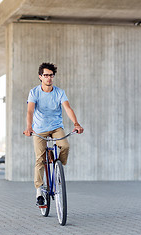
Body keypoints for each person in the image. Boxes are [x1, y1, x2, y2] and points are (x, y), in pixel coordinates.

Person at [23, 62, 84, 207]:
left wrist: (76, 123)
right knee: (39, 159)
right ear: (40, 77)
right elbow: (30, 111)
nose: (49, 78)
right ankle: (39, 192)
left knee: (65, 146)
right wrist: (29, 127)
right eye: (46, 75)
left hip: (56, 127)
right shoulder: (34, 92)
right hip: (39, 129)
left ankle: (58, 169)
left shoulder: (59, 92)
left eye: (51, 75)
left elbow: (68, 108)